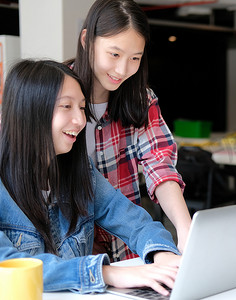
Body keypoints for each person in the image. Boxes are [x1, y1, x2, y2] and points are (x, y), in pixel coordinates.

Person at [0, 59, 180, 296]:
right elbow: (7, 263)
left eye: (82, 107)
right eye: (66, 106)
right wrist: (108, 273)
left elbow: (132, 220)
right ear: (30, 110)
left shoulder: (80, 171)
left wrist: (162, 254)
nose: (80, 120)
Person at [66, 0, 191, 262]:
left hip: (126, 248)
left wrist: (185, 228)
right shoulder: (55, 94)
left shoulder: (141, 99)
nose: (122, 70)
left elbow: (160, 164)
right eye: (114, 54)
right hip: (70, 252)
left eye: (135, 58)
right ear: (87, 40)